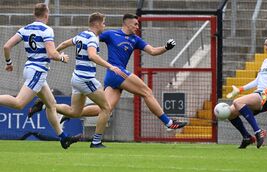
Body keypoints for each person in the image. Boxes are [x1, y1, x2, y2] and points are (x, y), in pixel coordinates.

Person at [29, 13, 187, 145]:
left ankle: (49, 107)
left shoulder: (135, 40)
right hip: (117, 73)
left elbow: (152, 51)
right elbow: (92, 38)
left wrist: (166, 48)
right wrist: (56, 53)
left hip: (114, 77)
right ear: (127, 24)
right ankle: (168, 122)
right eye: (135, 24)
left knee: (103, 110)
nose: (137, 27)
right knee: (146, 91)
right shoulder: (111, 34)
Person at [2, 3, 80, 149]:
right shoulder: (47, 30)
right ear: (46, 14)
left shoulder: (25, 29)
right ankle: (63, 137)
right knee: (19, 103)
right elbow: (51, 53)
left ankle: (63, 138)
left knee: (51, 104)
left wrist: (9, 62)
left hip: (31, 69)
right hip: (37, 71)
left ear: (34, 14)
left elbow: (7, 46)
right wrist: (62, 57)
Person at [47, 12, 127, 148]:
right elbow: (92, 56)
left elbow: (66, 43)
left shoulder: (82, 35)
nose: (104, 26)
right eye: (103, 23)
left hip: (76, 78)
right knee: (106, 108)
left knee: (75, 112)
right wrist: (111, 66)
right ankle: (96, 141)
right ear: (96, 24)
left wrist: (54, 53)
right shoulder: (92, 38)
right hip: (86, 79)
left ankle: (48, 105)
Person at [226, 35, 267, 149]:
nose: (265, 47)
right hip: (259, 93)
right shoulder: (266, 61)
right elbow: (257, 81)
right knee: (230, 113)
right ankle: (247, 137)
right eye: (265, 44)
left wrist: (266, 92)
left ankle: (258, 132)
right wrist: (240, 89)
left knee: (237, 102)